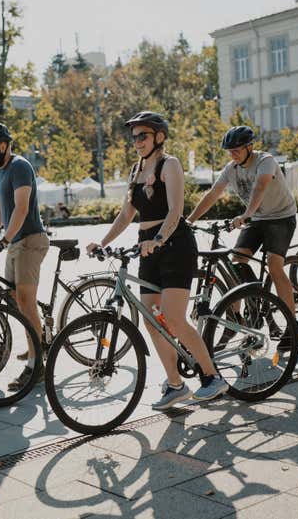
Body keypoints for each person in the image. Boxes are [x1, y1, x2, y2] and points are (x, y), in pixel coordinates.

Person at [87, 111, 228, 410]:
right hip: (147, 249)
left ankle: (213, 377)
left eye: (143, 135)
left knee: (174, 317)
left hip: (175, 245)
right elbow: (127, 214)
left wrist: (160, 239)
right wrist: (102, 243)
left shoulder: (170, 164)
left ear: (159, 136)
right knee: (153, 322)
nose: (137, 141)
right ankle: (175, 385)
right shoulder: (136, 170)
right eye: (134, 136)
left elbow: (176, 210)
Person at [187, 125, 298, 347]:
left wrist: (247, 213)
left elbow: (260, 187)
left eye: (237, 149)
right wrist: (189, 220)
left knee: (274, 266)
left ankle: (294, 326)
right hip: (256, 219)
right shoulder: (231, 168)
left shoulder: (265, 161)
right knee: (237, 261)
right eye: (229, 151)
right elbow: (213, 194)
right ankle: (254, 299)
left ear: (250, 147)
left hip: (280, 217)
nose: (232, 154)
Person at [0, 123, 50, 391]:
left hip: (29, 240)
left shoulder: (19, 166)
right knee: (13, 301)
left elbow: (20, 209)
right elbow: (1, 208)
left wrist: (4, 240)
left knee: (25, 302)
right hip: (14, 243)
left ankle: (36, 366)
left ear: (4, 146)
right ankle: (36, 343)